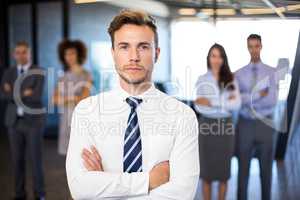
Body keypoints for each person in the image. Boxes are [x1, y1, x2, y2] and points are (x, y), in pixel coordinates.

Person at [66, 10, 199, 199]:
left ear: (157, 53)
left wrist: (106, 183)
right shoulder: (87, 111)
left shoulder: (183, 116)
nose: (134, 56)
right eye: (124, 47)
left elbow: (182, 193)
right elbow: (80, 189)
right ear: (113, 53)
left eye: (143, 47)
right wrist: (149, 181)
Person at [194, 43, 241, 200]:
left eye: (219, 56)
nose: (216, 59)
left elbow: (237, 104)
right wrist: (225, 101)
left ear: (224, 59)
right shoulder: (202, 79)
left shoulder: (231, 78)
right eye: (213, 55)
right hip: (206, 126)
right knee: (206, 174)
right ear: (208, 58)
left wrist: (212, 102)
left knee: (223, 173)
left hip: (225, 127)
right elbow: (199, 107)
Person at [0, 41, 45, 200]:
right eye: (17, 52)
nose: (20, 55)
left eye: (24, 52)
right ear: (14, 54)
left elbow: (36, 96)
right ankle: (20, 194)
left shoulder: (38, 71)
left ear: (29, 53)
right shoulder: (9, 72)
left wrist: (12, 91)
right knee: (16, 160)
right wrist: (23, 93)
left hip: (33, 122)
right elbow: (3, 96)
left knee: (35, 160)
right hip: (13, 122)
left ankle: (39, 195)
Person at [235, 34, 278, 200]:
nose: (254, 50)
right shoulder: (239, 74)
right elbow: (239, 100)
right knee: (242, 170)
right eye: (251, 46)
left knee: (266, 170)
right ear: (247, 48)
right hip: (245, 124)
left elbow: (272, 100)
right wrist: (260, 93)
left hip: (266, 124)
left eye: (257, 46)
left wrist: (249, 96)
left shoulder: (272, 72)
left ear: (261, 46)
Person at [52, 39, 92, 156]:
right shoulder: (62, 76)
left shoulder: (86, 75)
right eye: (66, 54)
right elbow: (54, 100)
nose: (69, 57)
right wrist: (73, 97)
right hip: (65, 119)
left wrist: (64, 99)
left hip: (80, 118)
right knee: (67, 156)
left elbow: (84, 98)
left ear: (78, 54)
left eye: (72, 53)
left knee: (81, 155)